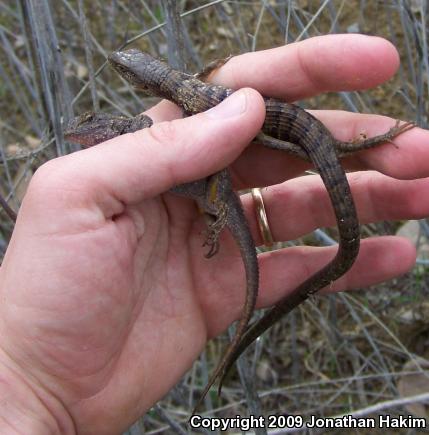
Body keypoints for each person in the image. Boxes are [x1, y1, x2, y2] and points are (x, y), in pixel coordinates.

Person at [0, 34, 426, 434]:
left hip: (288, 125)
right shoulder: (190, 86)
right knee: (300, 147)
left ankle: (354, 148)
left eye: (126, 72)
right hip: (285, 126)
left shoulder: (189, 102)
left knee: (298, 144)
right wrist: (31, 386)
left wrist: (34, 392)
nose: (121, 72)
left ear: (144, 85)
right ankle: (353, 148)